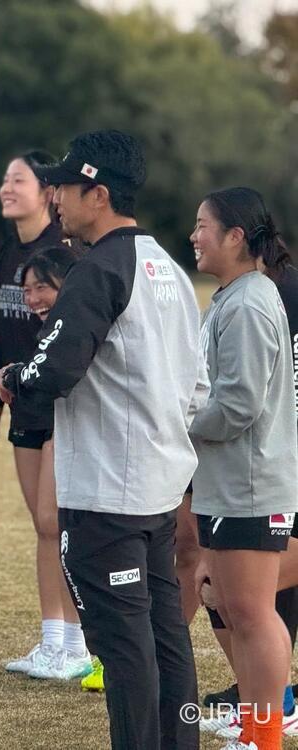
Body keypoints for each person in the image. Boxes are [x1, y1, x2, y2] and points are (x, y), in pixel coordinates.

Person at [0, 130, 202, 749]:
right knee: (165, 638)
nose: (55, 197)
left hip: (108, 495)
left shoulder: (98, 270)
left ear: (100, 194)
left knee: (125, 649)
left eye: (64, 186)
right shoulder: (169, 269)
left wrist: (13, 380)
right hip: (159, 487)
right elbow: (197, 386)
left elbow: (53, 370)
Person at [188, 187, 298, 750]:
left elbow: (237, 405)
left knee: (253, 615)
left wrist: (179, 422)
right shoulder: (234, 297)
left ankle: (266, 736)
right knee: (233, 607)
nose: (193, 236)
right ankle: (257, 730)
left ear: (236, 236)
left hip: (251, 487)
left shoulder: (250, 303)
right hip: (229, 484)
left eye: (202, 225)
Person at [0, 151, 90, 679]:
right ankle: (54, 642)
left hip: (60, 404)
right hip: (20, 401)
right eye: (4, 178)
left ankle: (78, 643)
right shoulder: (8, 251)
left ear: (48, 191)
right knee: (44, 527)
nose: (6, 187)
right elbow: (1, 328)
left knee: (57, 523)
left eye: (17, 179)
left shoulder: (68, 251)